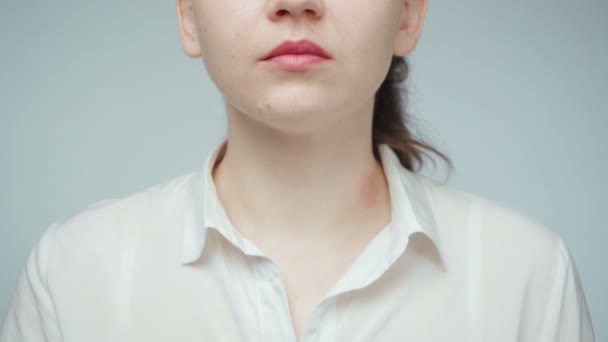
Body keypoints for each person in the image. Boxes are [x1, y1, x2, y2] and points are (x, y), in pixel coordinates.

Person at [1, 0, 596, 341]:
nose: (295, 1)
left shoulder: (527, 277)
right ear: (188, 16)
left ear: (408, 15)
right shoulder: (75, 273)